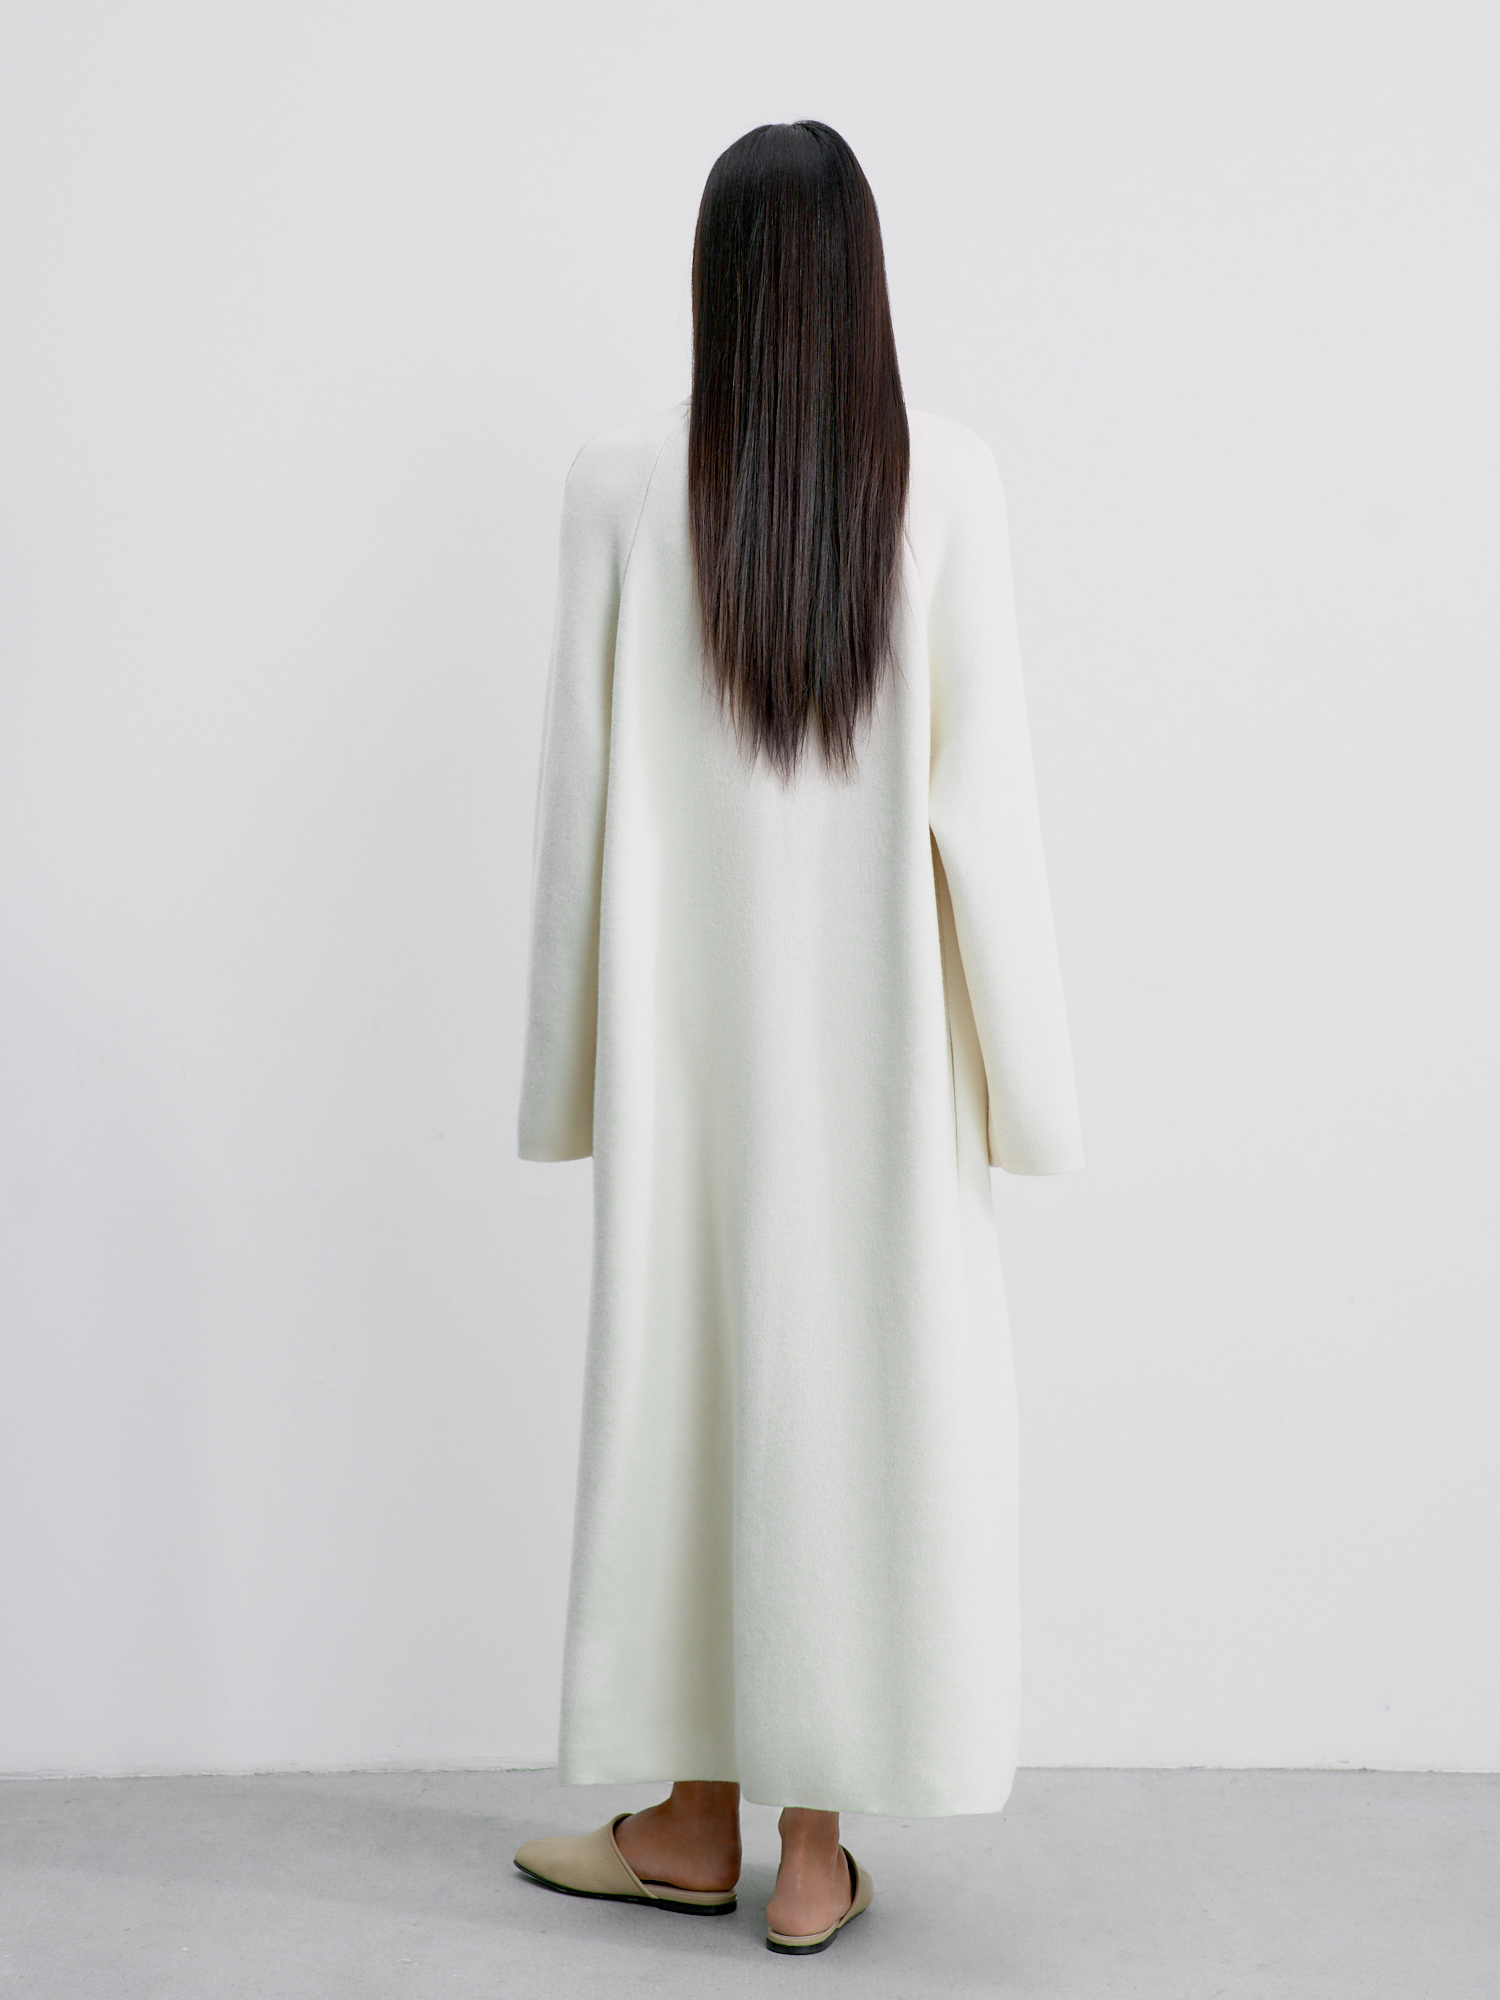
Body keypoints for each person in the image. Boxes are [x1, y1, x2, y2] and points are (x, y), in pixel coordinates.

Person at [512, 120, 1084, 1958]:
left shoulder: (618, 484)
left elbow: (579, 799)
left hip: (687, 1060)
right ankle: (809, 1857)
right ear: (863, 285)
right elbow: (990, 809)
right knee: (847, 1406)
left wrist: (564, 1077)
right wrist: (1030, 1095)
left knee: (687, 1395)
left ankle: (691, 1822)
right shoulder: (950, 483)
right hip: (884, 1064)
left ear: (715, 281)